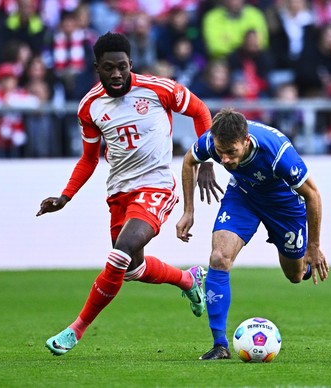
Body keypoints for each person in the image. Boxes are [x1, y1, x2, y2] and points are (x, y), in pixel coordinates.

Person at [37, 32, 223, 356]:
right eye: (109, 68)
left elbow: (200, 111)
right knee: (132, 268)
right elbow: (89, 159)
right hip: (119, 192)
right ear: (97, 68)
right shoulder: (89, 107)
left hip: (156, 186)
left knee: (120, 252)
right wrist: (65, 197)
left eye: (122, 67)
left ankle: (75, 329)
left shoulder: (158, 89)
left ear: (131, 64)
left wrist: (205, 158)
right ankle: (188, 281)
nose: (117, 74)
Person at [176, 108, 330, 360]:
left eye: (231, 153)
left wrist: (314, 246)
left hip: (284, 206)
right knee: (218, 258)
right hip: (243, 196)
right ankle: (220, 344)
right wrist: (188, 211)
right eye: (220, 153)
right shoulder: (213, 143)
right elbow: (189, 160)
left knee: (295, 274)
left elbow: (312, 195)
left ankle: (304, 260)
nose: (224, 159)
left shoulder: (277, 153)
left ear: (246, 141)